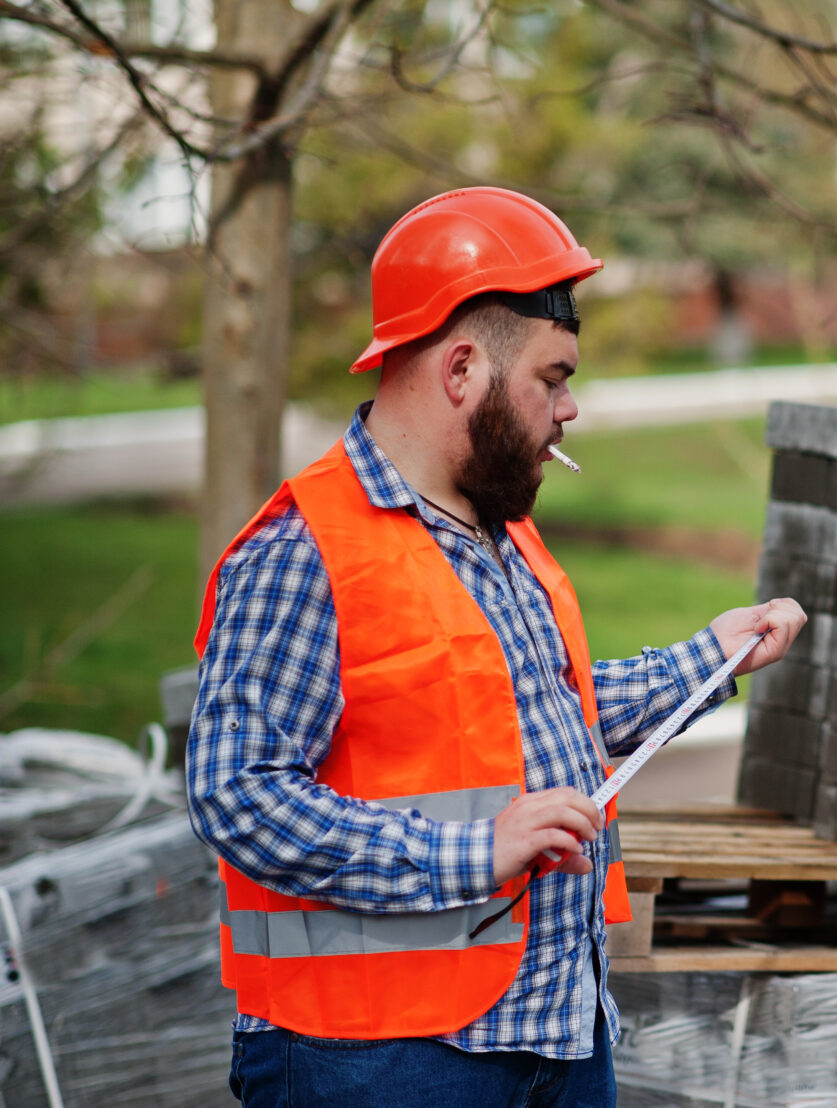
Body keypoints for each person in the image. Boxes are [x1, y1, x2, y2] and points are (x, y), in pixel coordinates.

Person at [185, 186, 805, 1107]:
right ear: (464, 370)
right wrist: (468, 856)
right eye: (552, 379)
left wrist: (708, 661)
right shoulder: (305, 552)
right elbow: (237, 794)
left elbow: (537, 713)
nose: (570, 408)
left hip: (556, 1030)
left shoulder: (496, 530)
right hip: (383, 1060)